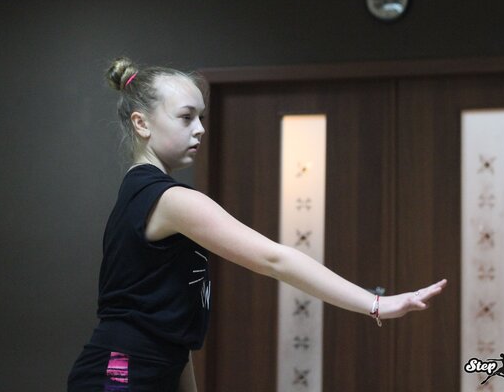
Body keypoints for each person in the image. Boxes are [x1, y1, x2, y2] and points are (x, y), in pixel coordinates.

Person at [67, 58, 447, 391]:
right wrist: (376, 304)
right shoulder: (169, 200)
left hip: (144, 369)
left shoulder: (146, 194)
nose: (200, 129)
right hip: (118, 373)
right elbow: (274, 259)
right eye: (185, 117)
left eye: (201, 117)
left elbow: (168, 329)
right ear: (141, 123)